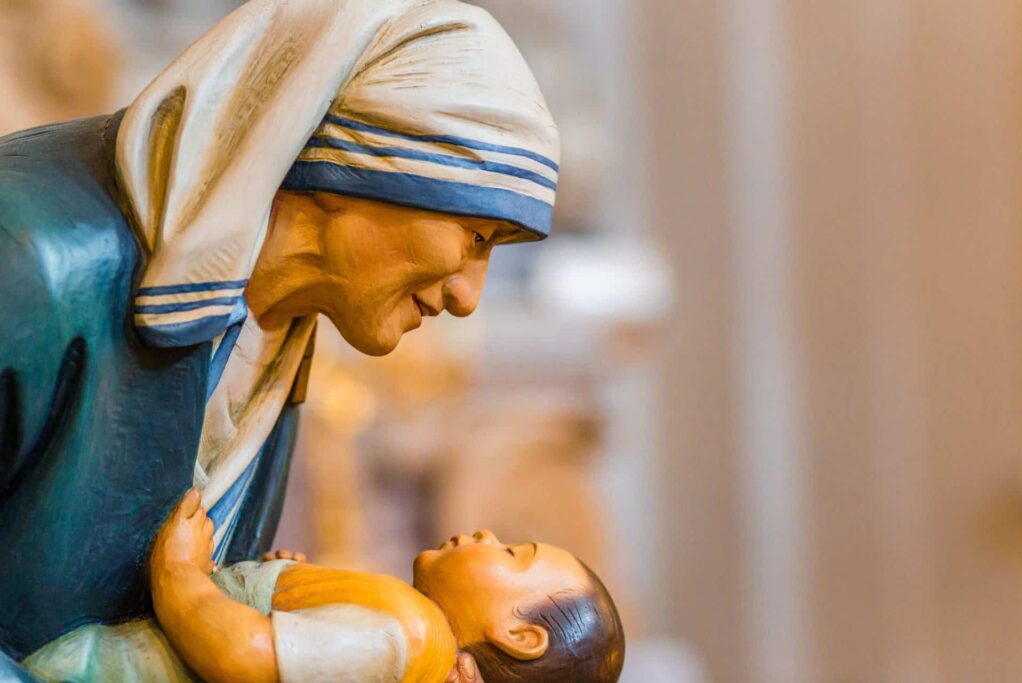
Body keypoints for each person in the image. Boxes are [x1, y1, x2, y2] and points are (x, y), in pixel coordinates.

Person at [0, 0, 558, 676]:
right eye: (476, 237)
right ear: (352, 161)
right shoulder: (34, 262)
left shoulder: (274, 346)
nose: (466, 297)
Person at [23, 490, 625, 683]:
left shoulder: (410, 637)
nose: (491, 534)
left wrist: (178, 573)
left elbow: (245, 655)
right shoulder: (406, 634)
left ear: (519, 635)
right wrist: (286, 584)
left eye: (515, 553)